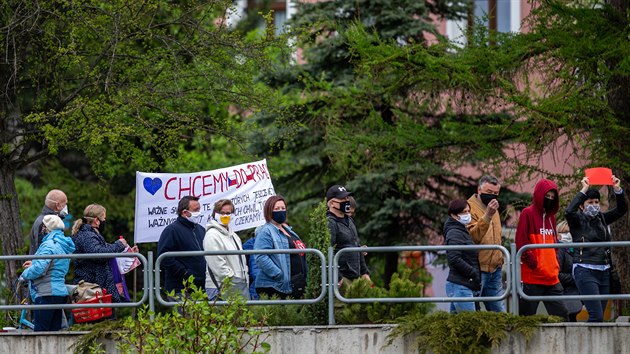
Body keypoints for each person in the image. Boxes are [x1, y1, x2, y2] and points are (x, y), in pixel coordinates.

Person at [565, 176, 627, 322]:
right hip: (585, 269)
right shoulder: (577, 220)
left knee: (600, 318)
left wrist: (617, 189)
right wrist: (584, 189)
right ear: (582, 205)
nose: (594, 205)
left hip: (604, 270)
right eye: (590, 202)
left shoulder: (602, 218)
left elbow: (621, 210)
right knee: (596, 315)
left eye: (596, 202)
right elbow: (569, 212)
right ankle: (581, 344)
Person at [515, 178, 568, 320]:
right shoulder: (527, 213)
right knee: (525, 319)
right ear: (539, 195)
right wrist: (534, 264)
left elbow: (555, 244)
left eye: (552, 197)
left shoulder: (552, 217)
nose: (549, 199)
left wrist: (555, 263)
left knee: (563, 317)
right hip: (533, 277)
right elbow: (521, 242)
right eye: (547, 196)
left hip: (552, 278)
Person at [21, 215, 75, 331]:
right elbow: (54, 266)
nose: (42, 229)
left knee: (41, 333)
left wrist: (24, 275)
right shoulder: (62, 244)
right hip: (59, 293)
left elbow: (40, 269)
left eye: (43, 226)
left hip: (46, 293)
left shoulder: (48, 244)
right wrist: (34, 263)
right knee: (54, 333)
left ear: (47, 228)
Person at [72, 204, 134, 304]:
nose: (105, 221)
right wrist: (118, 245)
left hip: (96, 286)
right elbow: (99, 253)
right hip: (92, 288)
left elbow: (105, 249)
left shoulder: (89, 234)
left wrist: (127, 252)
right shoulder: (87, 235)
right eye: (104, 218)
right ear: (97, 221)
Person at [254, 196, 307, 299]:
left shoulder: (288, 230)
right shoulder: (266, 231)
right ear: (269, 211)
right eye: (277, 209)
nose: (281, 211)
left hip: (295, 284)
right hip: (275, 287)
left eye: (283, 208)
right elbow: (260, 256)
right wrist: (279, 274)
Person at [466, 175, 505, 312]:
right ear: (479, 190)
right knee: (472, 312)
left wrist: (500, 259)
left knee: (499, 313)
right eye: (489, 192)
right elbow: (473, 237)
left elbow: (496, 236)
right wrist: (487, 215)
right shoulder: (468, 208)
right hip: (477, 269)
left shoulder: (494, 208)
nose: (492, 196)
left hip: (495, 269)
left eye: (495, 193)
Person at [157, 196, 207, 296]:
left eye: (199, 209)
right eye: (196, 210)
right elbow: (164, 257)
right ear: (185, 213)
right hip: (179, 289)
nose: (199, 213)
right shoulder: (172, 230)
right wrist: (185, 274)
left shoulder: (201, 230)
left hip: (199, 289)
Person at [203, 199, 249, 300]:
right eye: (221, 213)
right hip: (220, 287)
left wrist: (244, 279)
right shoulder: (212, 235)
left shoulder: (234, 236)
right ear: (215, 214)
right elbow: (218, 265)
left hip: (238, 286)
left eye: (228, 213)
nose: (225, 216)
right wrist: (233, 279)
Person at [327, 184, 371, 288]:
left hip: (356, 276)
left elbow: (357, 246)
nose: (347, 200)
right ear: (332, 203)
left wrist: (365, 272)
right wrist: (338, 278)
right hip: (342, 280)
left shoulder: (350, 220)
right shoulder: (329, 222)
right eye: (343, 198)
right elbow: (326, 252)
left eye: (347, 197)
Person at [444, 199, 481, 313]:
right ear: (454, 215)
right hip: (461, 285)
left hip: (463, 284)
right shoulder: (455, 232)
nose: (468, 215)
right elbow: (454, 258)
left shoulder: (460, 230)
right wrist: (473, 272)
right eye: (464, 212)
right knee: (470, 325)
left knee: (457, 326)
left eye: (469, 211)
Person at [556, 220, 583, 322]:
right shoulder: (559, 250)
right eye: (564, 233)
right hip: (565, 290)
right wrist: (576, 277)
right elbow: (557, 275)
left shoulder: (577, 249)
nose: (567, 235)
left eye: (569, 232)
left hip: (576, 288)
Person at [29, 189, 69, 255]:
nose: (66, 207)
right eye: (65, 204)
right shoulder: (47, 223)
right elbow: (43, 251)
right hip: (44, 264)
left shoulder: (46, 220)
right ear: (58, 205)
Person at [242, 229, 260, 300]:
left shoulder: (251, 244)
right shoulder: (257, 245)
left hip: (254, 285)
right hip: (257, 287)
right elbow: (256, 272)